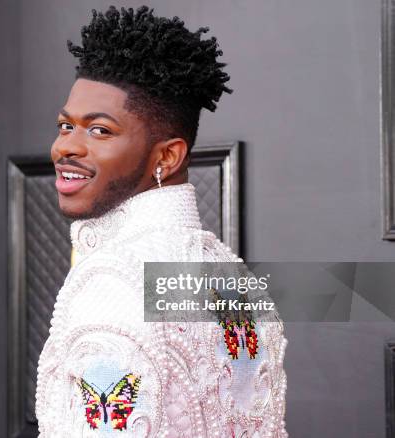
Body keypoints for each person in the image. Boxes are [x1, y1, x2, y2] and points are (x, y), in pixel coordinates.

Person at [35, 6, 287, 437]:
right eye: (65, 125)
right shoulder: (228, 276)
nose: (66, 147)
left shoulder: (112, 284)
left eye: (99, 130)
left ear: (167, 157)